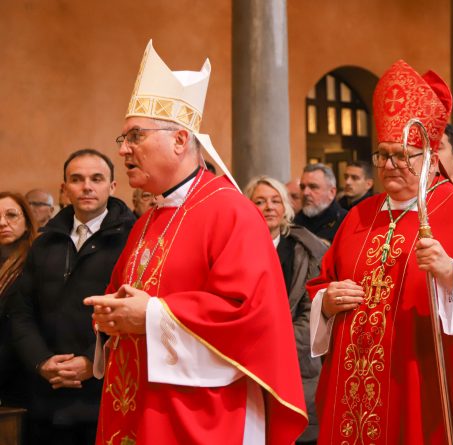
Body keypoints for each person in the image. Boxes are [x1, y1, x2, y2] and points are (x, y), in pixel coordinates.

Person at [82, 41, 306, 444]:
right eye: (123, 136)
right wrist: (110, 319)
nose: (122, 149)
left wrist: (149, 316)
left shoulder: (231, 211)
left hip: (205, 413)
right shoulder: (148, 218)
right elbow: (127, 296)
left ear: (181, 141)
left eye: (135, 135)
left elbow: (246, 315)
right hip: (140, 406)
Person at [307, 60, 453, 444]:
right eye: (382, 155)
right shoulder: (359, 215)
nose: (390, 166)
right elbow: (322, 282)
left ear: (430, 156)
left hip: (423, 385)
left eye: (402, 155)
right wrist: (327, 302)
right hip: (351, 388)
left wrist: (451, 273)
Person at [10, 149, 135, 444]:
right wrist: (41, 361)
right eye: (76, 179)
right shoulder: (45, 242)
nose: (87, 186)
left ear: (112, 187)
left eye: (96, 178)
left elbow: (133, 313)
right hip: (45, 392)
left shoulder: (132, 239)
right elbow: (21, 311)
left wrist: (92, 361)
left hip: (103, 394)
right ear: (64, 189)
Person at [245, 176, 327, 444]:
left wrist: (272, 344)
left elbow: (312, 313)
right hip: (247, 366)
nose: (269, 207)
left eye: (275, 200)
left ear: (286, 208)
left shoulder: (307, 252)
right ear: (247, 206)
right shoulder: (238, 247)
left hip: (296, 364)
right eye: (260, 201)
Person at [0, 192, 37, 411]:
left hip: (20, 373)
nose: (2, 223)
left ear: (26, 221)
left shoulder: (36, 260)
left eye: (11, 215)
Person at [294, 163, 347, 243]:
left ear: (331, 192)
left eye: (313, 187)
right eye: (302, 187)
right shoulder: (294, 223)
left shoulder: (347, 223)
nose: (305, 193)